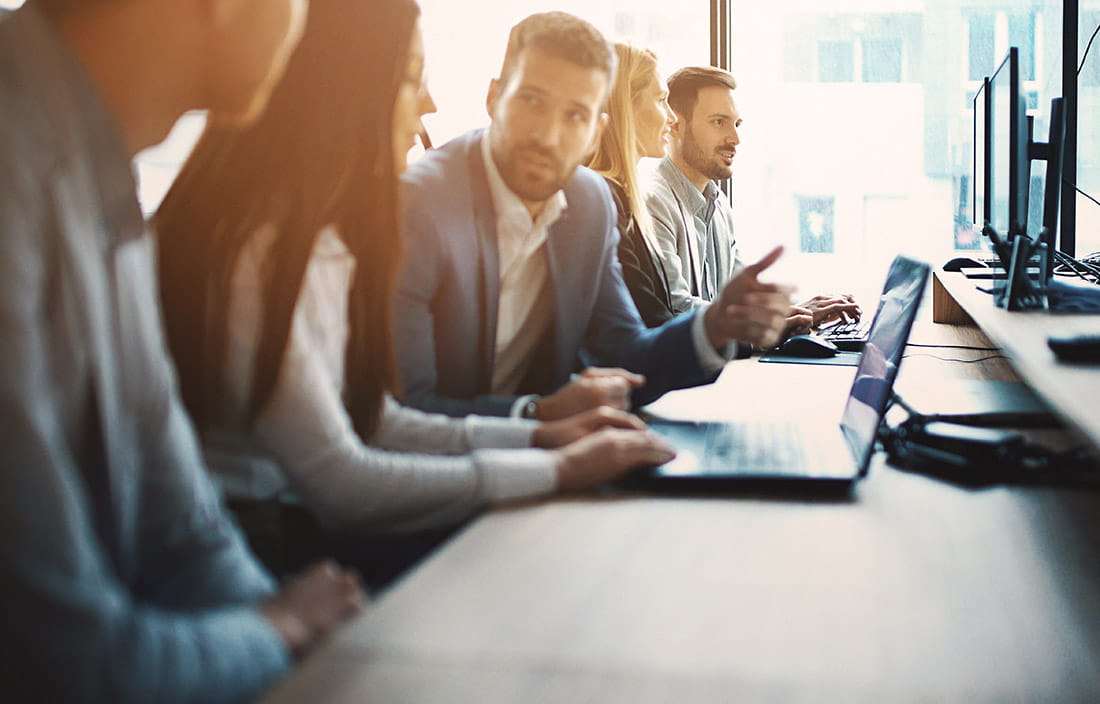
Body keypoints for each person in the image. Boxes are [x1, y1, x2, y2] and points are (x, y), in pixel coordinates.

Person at [155, 0, 674, 585]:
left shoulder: (316, 233)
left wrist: (540, 435)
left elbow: (373, 421)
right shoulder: (260, 244)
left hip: (295, 519)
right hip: (259, 536)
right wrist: (554, 465)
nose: (429, 102)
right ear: (343, 88)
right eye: (410, 76)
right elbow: (339, 479)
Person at [0, 0, 367, 702]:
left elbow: (184, 530)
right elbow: (68, 665)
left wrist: (303, 639)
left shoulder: (105, 168)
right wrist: (277, 630)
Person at [394, 11, 795, 422]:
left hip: (550, 459)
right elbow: (404, 410)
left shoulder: (589, 202)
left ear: (596, 130)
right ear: (494, 98)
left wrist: (714, 326)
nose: (548, 137)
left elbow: (624, 357)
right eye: (531, 101)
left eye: (574, 116)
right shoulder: (419, 206)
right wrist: (537, 416)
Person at [644, 65, 861, 336]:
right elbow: (674, 310)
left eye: (736, 124)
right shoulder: (653, 202)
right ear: (674, 126)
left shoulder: (719, 204)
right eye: (718, 122)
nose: (734, 139)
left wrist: (797, 311)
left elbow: (740, 303)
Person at [587, 43, 676, 328]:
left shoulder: (621, 196)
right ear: (626, 105)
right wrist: (748, 334)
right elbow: (650, 318)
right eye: (661, 100)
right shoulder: (602, 200)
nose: (672, 119)